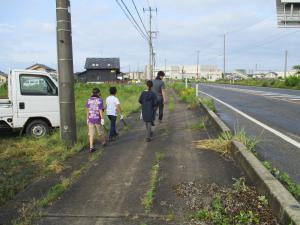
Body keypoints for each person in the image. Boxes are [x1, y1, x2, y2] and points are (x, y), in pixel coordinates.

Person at [86, 88, 106, 153]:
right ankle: (103, 142)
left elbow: (88, 110)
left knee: (91, 134)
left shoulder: (88, 100)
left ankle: (91, 147)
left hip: (90, 119)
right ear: (98, 93)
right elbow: (100, 110)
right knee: (100, 132)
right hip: (97, 119)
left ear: (92, 93)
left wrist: (87, 118)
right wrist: (102, 118)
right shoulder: (100, 100)